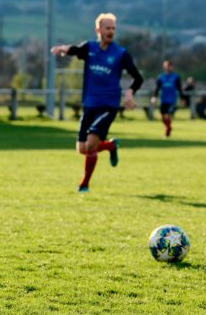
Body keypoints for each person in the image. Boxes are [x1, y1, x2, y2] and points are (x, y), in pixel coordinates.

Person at [51, 12, 143, 193]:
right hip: (90, 104)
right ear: (98, 29)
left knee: (92, 143)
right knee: (82, 149)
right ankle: (110, 145)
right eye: (107, 28)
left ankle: (84, 184)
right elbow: (76, 50)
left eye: (113, 28)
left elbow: (138, 78)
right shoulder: (90, 48)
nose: (111, 32)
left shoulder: (120, 54)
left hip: (108, 105)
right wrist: (62, 48)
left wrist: (129, 94)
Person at [150, 60, 184, 138]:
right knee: (162, 116)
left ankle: (167, 130)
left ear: (172, 67)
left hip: (172, 100)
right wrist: (154, 97)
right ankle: (168, 127)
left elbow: (179, 88)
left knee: (169, 115)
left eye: (170, 66)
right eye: (167, 66)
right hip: (163, 99)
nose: (169, 68)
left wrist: (182, 98)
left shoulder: (176, 77)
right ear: (164, 67)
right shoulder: (161, 77)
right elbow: (157, 88)